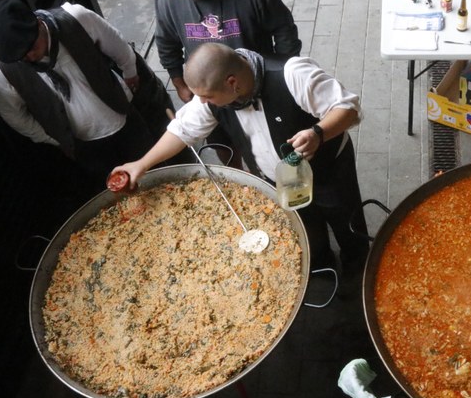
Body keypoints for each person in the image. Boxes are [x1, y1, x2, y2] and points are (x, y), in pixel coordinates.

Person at [112, 43, 369, 274]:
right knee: (306, 226)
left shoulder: (292, 74)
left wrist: (318, 133)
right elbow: (182, 130)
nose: (201, 102)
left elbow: (349, 108)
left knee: (347, 223)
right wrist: (141, 164)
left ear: (232, 82)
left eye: (207, 96)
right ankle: (321, 263)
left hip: (329, 170)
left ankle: (358, 264)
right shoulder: (215, 96)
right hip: (282, 179)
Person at [0, 0, 171, 190]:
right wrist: (53, 137)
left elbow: (117, 45)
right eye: (21, 58)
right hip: (84, 146)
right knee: (112, 193)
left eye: (32, 48)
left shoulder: (75, 18)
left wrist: (130, 72)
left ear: (38, 24)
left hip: (123, 116)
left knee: (155, 172)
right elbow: (15, 117)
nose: (30, 57)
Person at [155, 0, 301, 104]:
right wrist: (179, 84)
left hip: (256, 89)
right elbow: (166, 44)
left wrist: (284, 74)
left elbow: (284, 31)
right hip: (210, 97)